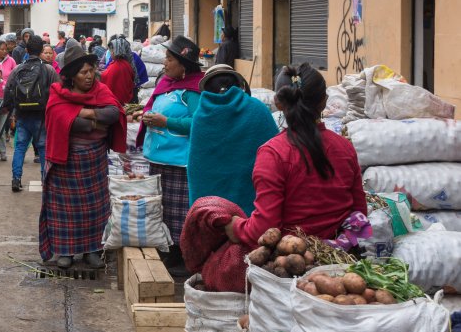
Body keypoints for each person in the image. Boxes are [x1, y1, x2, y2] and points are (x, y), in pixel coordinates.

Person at [224, 63, 367, 246]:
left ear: (278, 103)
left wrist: (236, 226)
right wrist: (338, 245)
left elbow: (263, 229)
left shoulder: (273, 153)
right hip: (338, 255)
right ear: (324, 101)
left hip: (289, 257)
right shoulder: (345, 148)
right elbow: (360, 214)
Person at [41, 39, 127, 269]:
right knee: (65, 210)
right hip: (65, 160)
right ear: (71, 76)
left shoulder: (101, 89)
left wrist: (78, 118)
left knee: (94, 208)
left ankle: (92, 250)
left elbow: (113, 113)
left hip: (93, 158)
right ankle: (66, 252)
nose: (89, 76)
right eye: (83, 73)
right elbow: (58, 119)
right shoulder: (58, 93)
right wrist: (89, 118)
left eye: (91, 71)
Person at [137, 35, 204, 275]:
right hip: (158, 158)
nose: (165, 63)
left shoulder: (195, 89)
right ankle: (169, 252)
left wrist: (166, 121)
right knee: (163, 211)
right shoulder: (166, 83)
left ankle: (185, 258)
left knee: (180, 214)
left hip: (179, 162)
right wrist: (146, 116)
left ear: (183, 65)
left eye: (168, 59)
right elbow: (153, 106)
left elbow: (198, 123)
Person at [187, 64, 278, 216]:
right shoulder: (257, 109)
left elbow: (196, 168)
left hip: (210, 212)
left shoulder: (201, 116)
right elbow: (276, 152)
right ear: (239, 85)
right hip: (253, 212)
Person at [2, 36, 59, 192]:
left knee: (20, 147)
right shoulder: (49, 70)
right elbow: (58, 91)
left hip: (22, 114)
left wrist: (9, 109)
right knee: (43, 148)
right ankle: (45, 181)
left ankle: (16, 179)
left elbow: (8, 90)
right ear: (41, 51)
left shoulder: (17, 69)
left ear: (26, 50)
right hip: (42, 115)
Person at [101, 35, 137, 105]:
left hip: (117, 101)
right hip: (125, 99)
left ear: (116, 50)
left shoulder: (117, 65)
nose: (111, 53)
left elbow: (108, 80)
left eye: (111, 51)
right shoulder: (125, 63)